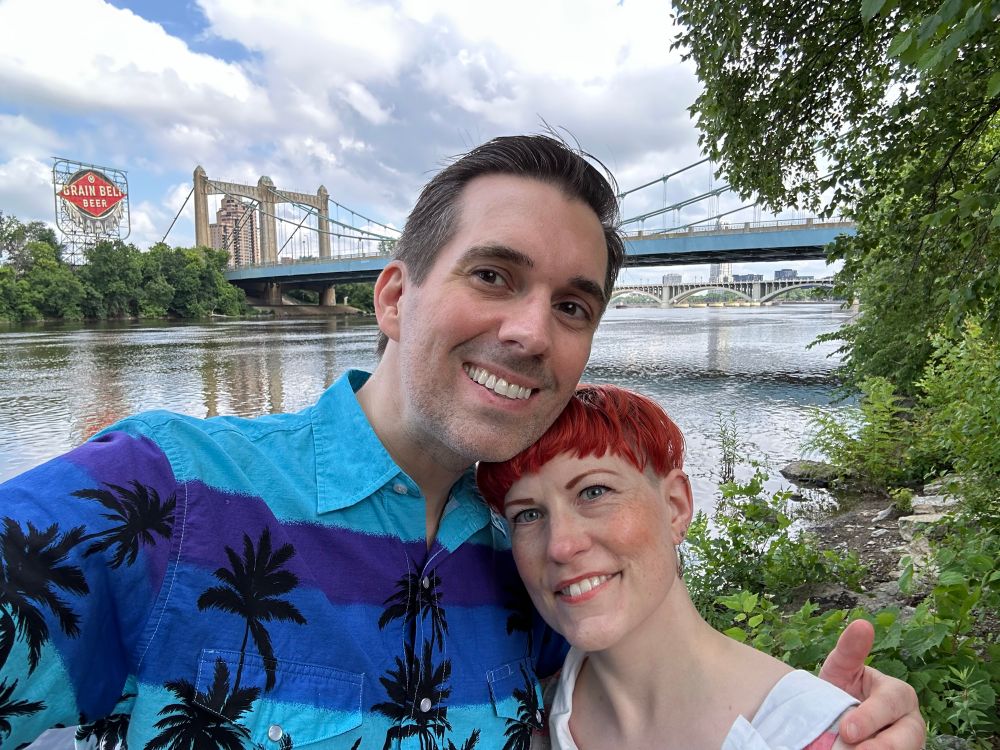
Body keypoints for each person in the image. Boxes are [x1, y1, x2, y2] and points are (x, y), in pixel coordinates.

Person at [0, 135, 922, 750]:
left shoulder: (536, 569)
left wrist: (818, 717)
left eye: (571, 305)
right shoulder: (164, 494)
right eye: (493, 274)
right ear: (394, 297)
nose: (530, 332)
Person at [478, 384, 886, 749]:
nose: (562, 545)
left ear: (675, 507)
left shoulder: (815, 733)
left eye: (593, 491)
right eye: (527, 515)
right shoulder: (528, 710)